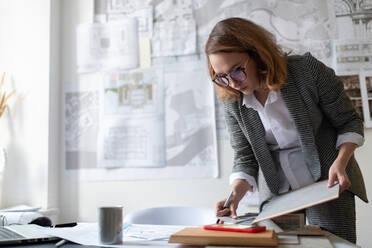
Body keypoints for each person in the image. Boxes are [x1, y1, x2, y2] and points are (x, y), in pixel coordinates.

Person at [205, 17, 368, 243]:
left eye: (236, 71)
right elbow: (245, 154)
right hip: (277, 189)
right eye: (221, 77)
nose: (232, 83)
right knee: (281, 243)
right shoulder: (232, 99)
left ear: (258, 54)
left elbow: (349, 121)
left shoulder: (306, 72)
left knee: (335, 243)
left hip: (327, 179)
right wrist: (234, 196)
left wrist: (341, 162)